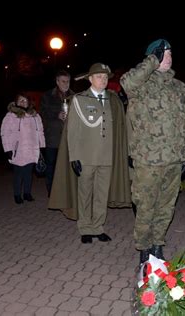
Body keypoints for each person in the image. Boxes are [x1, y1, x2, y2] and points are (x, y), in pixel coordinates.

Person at [120, 39, 185, 264]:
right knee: (145, 205)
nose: (168, 57)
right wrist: (152, 60)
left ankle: (157, 244)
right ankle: (143, 246)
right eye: (163, 53)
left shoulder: (181, 88)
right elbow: (126, 83)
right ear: (151, 57)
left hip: (174, 160)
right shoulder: (140, 85)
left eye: (170, 54)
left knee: (166, 206)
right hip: (147, 159)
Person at [48, 63, 131, 244]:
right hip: (86, 156)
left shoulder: (113, 100)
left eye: (106, 77)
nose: (103, 80)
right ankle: (85, 228)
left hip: (107, 157)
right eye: (99, 76)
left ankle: (98, 227)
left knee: (101, 195)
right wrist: (74, 156)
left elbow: (120, 129)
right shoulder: (79, 99)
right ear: (90, 79)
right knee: (85, 193)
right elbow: (73, 131)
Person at [1, 93, 45, 204]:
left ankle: (27, 193)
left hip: (31, 149)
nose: (23, 102)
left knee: (28, 173)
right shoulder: (10, 116)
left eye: (25, 100)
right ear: (16, 102)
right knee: (18, 174)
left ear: (29, 103)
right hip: (18, 150)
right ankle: (17, 194)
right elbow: (5, 133)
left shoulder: (35, 116)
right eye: (21, 100)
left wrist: (41, 147)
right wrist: (8, 149)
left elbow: (40, 132)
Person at [40, 70, 75, 196]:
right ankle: (52, 192)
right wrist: (56, 115)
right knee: (51, 166)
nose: (66, 84)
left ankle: (66, 191)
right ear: (57, 82)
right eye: (63, 81)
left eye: (68, 81)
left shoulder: (75, 96)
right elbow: (43, 113)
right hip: (53, 138)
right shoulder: (48, 95)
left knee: (68, 166)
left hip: (68, 138)